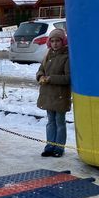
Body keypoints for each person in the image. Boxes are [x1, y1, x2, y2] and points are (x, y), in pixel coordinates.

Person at [36, 28, 71, 157]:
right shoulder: (47, 55)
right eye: (52, 41)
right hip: (48, 95)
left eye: (58, 41)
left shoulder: (66, 57)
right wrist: (40, 77)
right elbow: (40, 70)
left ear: (63, 42)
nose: (55, 43)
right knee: (50, 122)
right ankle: (50, 145)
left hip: (60, 95)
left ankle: (59, 147)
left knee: (60, 122)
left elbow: (68, 78)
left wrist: (51, 79)